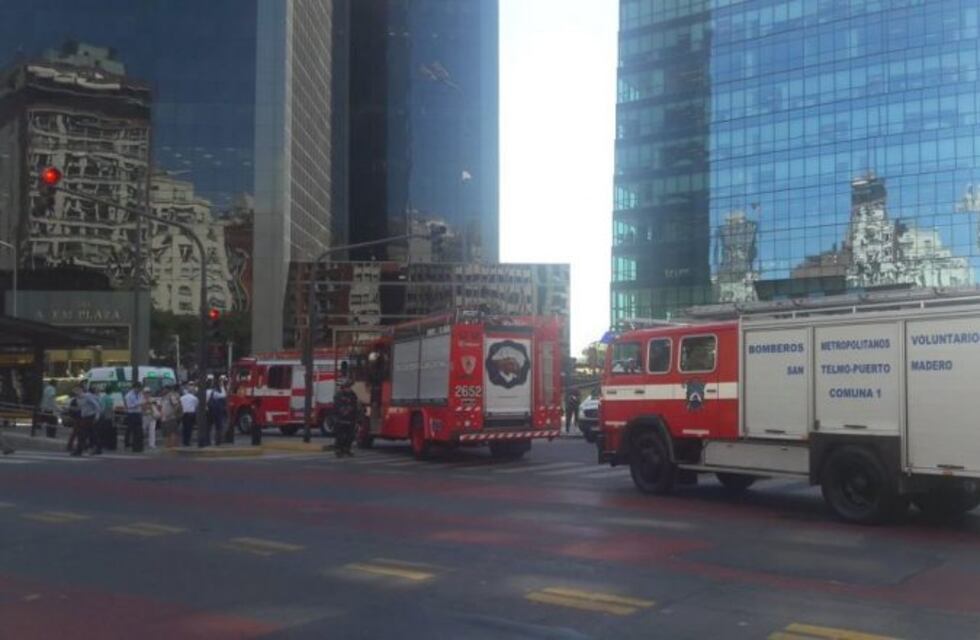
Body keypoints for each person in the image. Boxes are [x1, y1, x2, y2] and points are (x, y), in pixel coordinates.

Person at [332, 378, 360, 457]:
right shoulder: (338, 395)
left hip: (351, 419)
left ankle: (347, 449)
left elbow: (355, 406)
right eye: (347, 387)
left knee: (350, 436)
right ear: (343, 387)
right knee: (340, 436)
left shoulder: (353, 395)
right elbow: (337, 407)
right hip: (340, 419)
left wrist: (357, 418)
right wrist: (345, 410)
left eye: (349, 387)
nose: (349, 388)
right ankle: (339, 449)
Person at [74, 386, 101, 456]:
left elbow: (97, 406)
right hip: (85, 417)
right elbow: (81, 407)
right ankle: (98, 447)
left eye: (78, 390)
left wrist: (97, 416)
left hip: (90, 416)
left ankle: (79, 450)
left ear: (82, 391)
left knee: (83, 433)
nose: (77, 392)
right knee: (91, 433)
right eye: (76, 391)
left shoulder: (87, 396)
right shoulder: (77, 398)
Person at [159, 383, 182, 449]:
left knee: (172, 433)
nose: (163, 391)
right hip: (164, 419)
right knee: (166, 434)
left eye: (164, 389)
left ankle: (173, 447)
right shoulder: (163, 397)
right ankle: (168, 447)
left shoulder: (171, 396)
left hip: (170, 418)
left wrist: (171, 413)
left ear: (167, 389)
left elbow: (176, 405)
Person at [207, 378, 227, 446]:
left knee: (209, 427)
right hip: (216, 412)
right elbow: (223, 395)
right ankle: (217, 441)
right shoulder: (215, 392)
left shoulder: (206, 391)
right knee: (218, 427)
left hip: (209, 411)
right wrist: (222, 386)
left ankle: (209, 441)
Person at [123, 382, 143, 451]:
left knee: (138, 430)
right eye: (138, 388)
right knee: (130, 429)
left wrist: (140, 404)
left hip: (138, 413)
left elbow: (141, 401)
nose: (139, 390)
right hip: (132, 414)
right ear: (135, 388)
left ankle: (136, 443)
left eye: (140, 388)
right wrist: (138, 404)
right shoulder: (129, 395)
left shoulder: (140, 394)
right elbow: (129, 406)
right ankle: (127, 443)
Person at [141, 385, 159, 450]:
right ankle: (140, 442)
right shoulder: (141, 399)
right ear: (143, 393)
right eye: (146, 392)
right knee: (143, 430)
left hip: (152, 416)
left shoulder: (153, 399)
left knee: (152, 430)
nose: (147, 393)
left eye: (148, 392)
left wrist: (150, 405)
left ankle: (152, 444)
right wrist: (146, 404)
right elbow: (142, 408)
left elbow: (156, 406)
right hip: (144, 416)